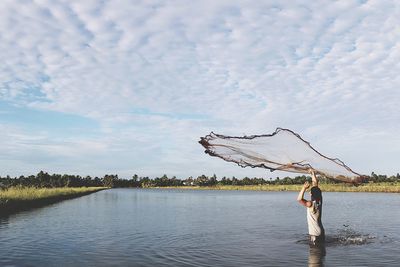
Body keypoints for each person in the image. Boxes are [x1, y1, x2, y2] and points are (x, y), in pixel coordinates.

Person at [297, 169, 325, 246]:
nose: (309, 192)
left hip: (315, 234)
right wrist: (313, 174)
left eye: (310, 191)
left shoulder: (310, 204)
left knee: (314, 255)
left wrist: (304, 188)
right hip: (321, 232)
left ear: (312, 194)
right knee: (321, 254)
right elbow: (315, 184)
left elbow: (299, 199)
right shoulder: (320, 200)